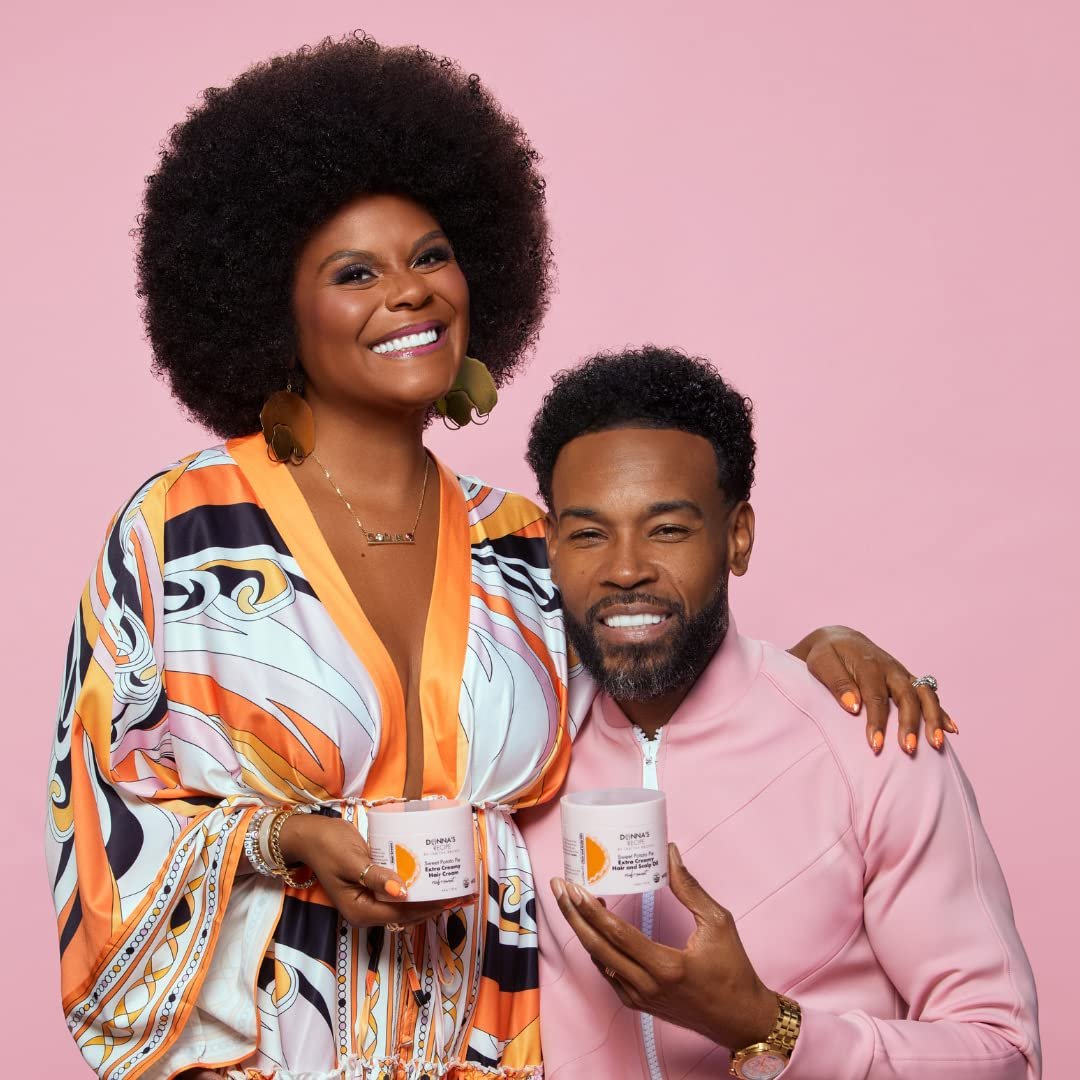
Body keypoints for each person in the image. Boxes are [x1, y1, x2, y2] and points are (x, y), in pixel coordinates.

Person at [45, 38, 954, 1080]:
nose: (410, 293)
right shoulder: (180, 529)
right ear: (272, 308)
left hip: (495, 1053)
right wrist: (284, 841)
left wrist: (814, 658)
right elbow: (100, 819)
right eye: (355, 272)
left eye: (431, 256)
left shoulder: (522, 539)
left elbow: (649, 692)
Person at [520, 346, 1040, 1079]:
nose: (625, 568)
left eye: (667, 529)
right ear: (550, 546)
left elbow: (1006, 1054)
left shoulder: (871, 744)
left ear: (737, 536)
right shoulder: (518, 753)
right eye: (588, 534)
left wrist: (764, 1026)